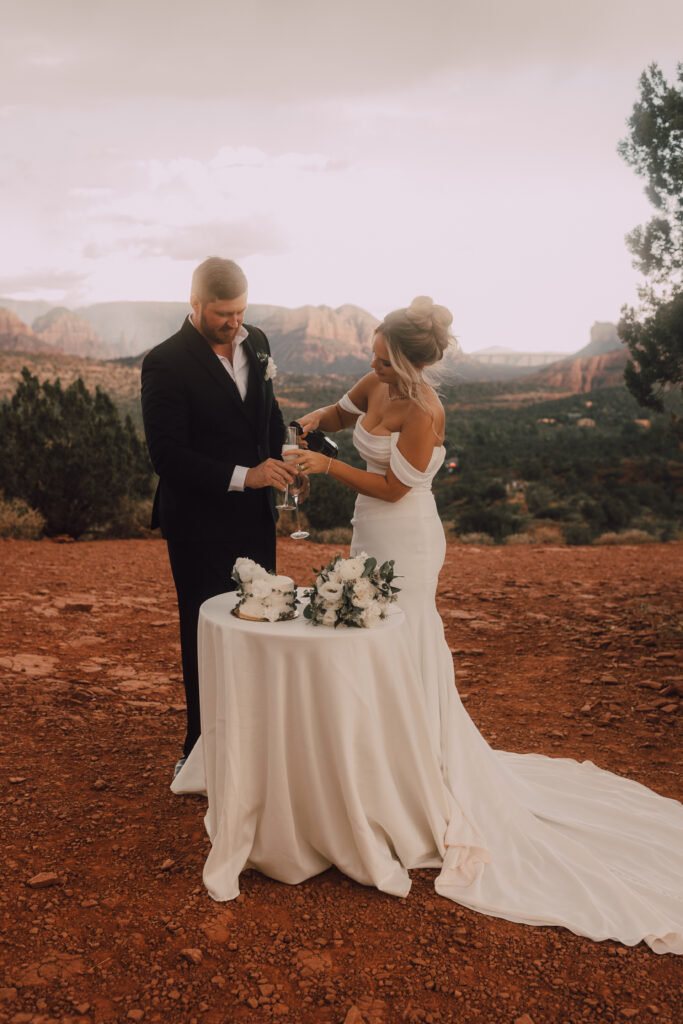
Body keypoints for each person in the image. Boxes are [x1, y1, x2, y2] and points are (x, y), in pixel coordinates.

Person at [294, 295, 683, 954]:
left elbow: (395, 489)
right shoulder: (377, 382)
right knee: (370, 646)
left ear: (403, 357)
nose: (368, 356)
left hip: (406, 540)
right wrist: (312, 420)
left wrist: (325, 465)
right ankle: (374, 761)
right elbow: (340, 411)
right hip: (367, 537)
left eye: (378, 348)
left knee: (404, 642)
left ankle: (418, 774)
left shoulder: (423, 411)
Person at [141, 257, 296, 779]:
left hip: (256, 515)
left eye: (241, 311)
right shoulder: (165, 362)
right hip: (199, 520)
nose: (235, 323)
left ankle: (257, 743)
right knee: (206, 630)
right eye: (224, 314)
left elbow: (267, 415)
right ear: (195, 304)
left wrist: (284, 456)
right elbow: (167, 455)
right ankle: (202, 747)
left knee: (262, 617)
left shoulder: (259, 343)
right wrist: (244, 475)